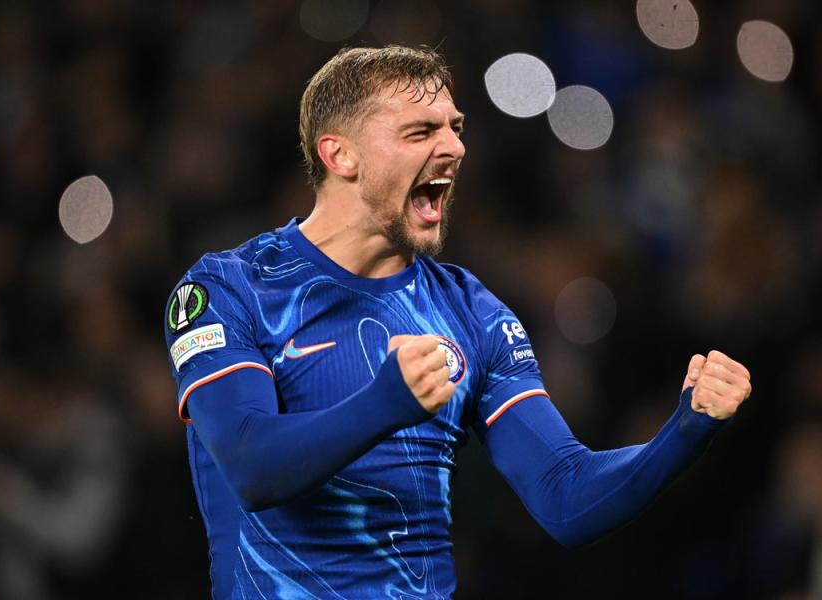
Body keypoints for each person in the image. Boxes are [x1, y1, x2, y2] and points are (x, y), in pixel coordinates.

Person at [163, 45, 752, 599]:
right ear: (339, 154)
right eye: (421, 131)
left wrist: (685, 429)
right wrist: (386, 402)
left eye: (455, 127)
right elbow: (250, 464)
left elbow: (566, 496)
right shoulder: (228, 288)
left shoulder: (470, 311)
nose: (455, 147)